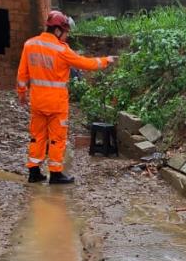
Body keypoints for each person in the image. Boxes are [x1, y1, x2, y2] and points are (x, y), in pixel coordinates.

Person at [16, 10, 115, 184]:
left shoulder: (29, 45)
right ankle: (55, 173)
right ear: (57, 30)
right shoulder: (61, 50)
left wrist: (22, 94)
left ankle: (34, 171)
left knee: (37, 136)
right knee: (57, 138)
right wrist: (106, 60)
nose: (66, 36)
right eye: (66, 32)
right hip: (56, 103)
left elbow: (22, 74)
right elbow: (86, 63)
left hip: (37, 101)